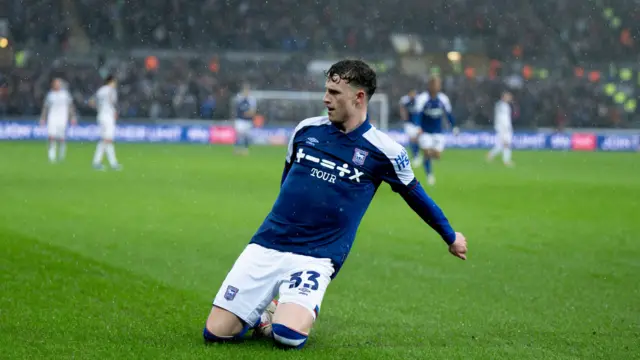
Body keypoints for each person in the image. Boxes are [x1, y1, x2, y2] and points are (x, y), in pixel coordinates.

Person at [203, 60, 468, 350]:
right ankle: (261, 311)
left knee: (288, 336)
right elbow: (287, 185)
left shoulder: (385, 151)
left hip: (316, 256)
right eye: (326, 90)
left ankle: (276, 311)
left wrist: (450, 235)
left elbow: (417, 196)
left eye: (334, 92)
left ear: (359, 97)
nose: (325, 98)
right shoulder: (306, 131)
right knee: (217, 333)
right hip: (268, 243)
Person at [414, 77, 458, 186]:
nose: (436, 87)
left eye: (438, 85)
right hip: (426, 132)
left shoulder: (443, 99)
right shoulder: (423, 98)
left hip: (438, 132)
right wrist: (418, 127)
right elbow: (417, 114)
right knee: (427, 152)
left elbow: (448, 114)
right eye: (434, 84)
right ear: (430, 85)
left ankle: (423, 156)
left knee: (437, 156)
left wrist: (454, 126)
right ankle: (430, 175)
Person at [89, 75, 121, 170]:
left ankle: (109, 162)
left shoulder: (101, 90)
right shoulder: (111, 90)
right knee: (107, 140)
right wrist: (114, 111)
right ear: (111, 81)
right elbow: (112, 102)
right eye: (114, 82)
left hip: (101, 116)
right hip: (108, 116)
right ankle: (104, 162)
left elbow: (91, 102)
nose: (115, 84)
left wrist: (99, 109)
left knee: (105, 140)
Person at [40, 78, 76, 163]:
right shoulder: (50, 95)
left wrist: (73, 117)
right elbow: (46, 107)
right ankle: (51, 157)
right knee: (51, 137)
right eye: (55, 83)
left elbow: (70, 106)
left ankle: (61, 156)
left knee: (62, 138)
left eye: (58, 83)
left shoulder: (65, 94)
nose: (56, 85)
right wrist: (43, 118)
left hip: (62, 119)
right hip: (52, 118)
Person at [487, 91, 514, 166]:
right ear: (504, 97)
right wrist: (505, 128)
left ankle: (490, 154)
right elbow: (502, 118)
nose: (509, 98)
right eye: (508, 96)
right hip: (503, 128)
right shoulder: (503, 106)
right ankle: (506, 161)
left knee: (501, 145)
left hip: (502, 127)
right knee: (506, 144)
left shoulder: (500, 105)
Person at [399, 89, 423, 166]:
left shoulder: (418, 101)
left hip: (416, 124)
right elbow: (402, 108)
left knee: (416, 140)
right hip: (409, 124)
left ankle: (417, 155)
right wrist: (403, 116)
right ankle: (415, 156)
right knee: (412, 139)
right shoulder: (406, 101)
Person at [233, 83, 257, 155]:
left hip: (247, 121)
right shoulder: (239, 97)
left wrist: (248, 113)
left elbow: (253, 111)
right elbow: (236, 109)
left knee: (246, 135)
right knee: (238, 135)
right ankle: (236, 149)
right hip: (240, 120)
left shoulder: (251, 99)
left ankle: (245, 150)